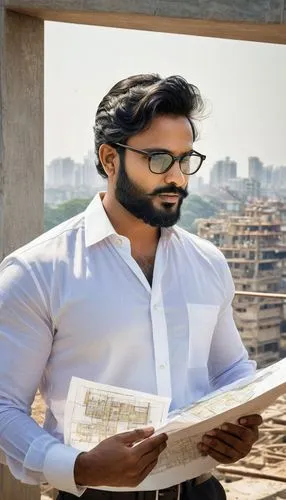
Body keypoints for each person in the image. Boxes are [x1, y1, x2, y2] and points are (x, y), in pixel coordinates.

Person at [0, 74, 262, 500]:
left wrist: (242, 424)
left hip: (202, 491)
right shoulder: (37, 271)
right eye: (159, 159)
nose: (177, 177)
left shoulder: (207, 263)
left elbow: (230, 369)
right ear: (110, 159)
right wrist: (77, 466)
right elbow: (3, 405)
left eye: (185, 159)